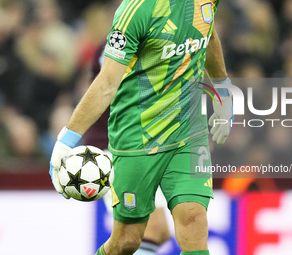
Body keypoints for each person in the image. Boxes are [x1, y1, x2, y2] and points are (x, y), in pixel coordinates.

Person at [50, 0, 233, 254]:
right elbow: (106, 83)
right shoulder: (135, 11)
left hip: (189, 131)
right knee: (127, 240)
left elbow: (207, 31)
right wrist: (67, 139)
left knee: (194, 220)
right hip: (138, 138)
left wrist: (223, 86)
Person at [83, 39, 170, 255]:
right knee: (143, 231)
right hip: (112, 148)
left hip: (139, 150)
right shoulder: (116, 44)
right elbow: (115, 85)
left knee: (159, 232)